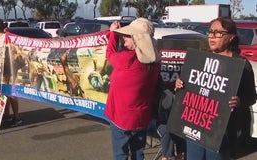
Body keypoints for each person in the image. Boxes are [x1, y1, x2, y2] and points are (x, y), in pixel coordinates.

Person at [174, 17, 257, 160]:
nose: (212, 36)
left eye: (218, 33)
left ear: (231, 37)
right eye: (210, 32)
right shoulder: (199, 59)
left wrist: (239, 101)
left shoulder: (241, 65)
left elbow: (251, 97)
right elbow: (187, 87)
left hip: (222, 133)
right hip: (195, 128)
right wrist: (180, 85)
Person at [104, 18, 160, 160]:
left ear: (138, 40)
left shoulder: (126, 60)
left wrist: (112, 34)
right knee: (138, 153)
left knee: (120, 154)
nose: (123, 37)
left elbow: (110, 54)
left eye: (128, 35)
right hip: (141, 118)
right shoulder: (155, 62)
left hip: (121, 118)